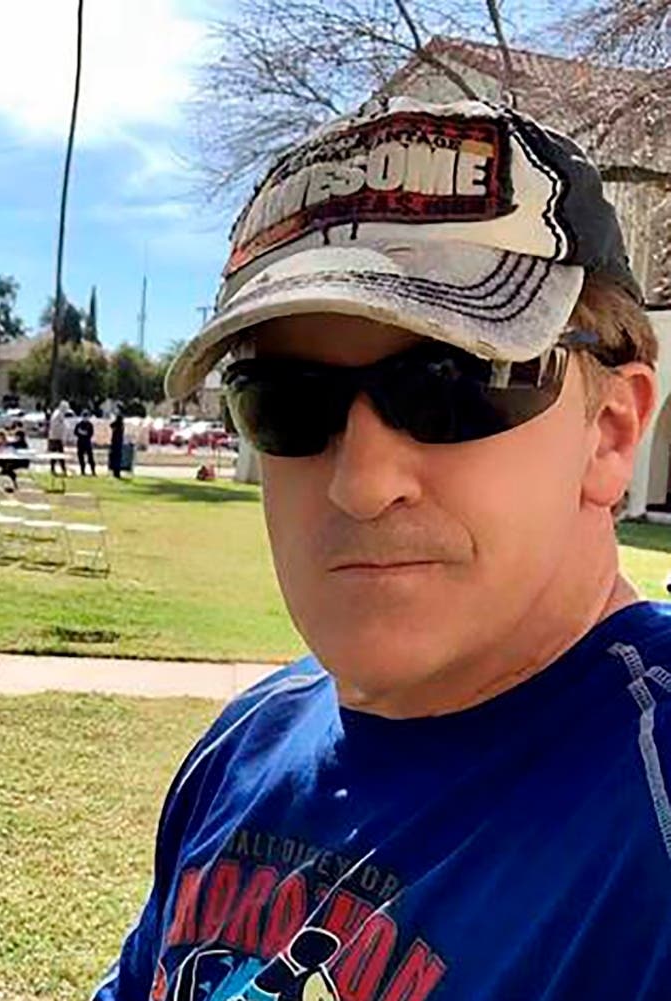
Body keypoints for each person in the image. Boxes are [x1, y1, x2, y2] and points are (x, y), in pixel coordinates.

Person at [93, 98, 671, 1001]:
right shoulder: (246, 746)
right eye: (287, 397)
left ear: (609, 431)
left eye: (452, 381)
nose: (359, 481)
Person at [47, 400, 70, 475]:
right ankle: (62, 470)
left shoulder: (56, 413)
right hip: (56, 438)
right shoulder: (59, 414)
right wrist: (64, 437)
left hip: (53, 437)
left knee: (54, 455)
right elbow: (62, 426)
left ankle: (54, 469)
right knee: (59, 455)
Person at [74, 411, 96, 476]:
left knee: (90, 458)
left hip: (87, 443)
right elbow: (75, 432)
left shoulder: (90, 425)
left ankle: (93, 471)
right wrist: (81, 433)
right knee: (81, 458)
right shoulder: (79, 424)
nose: (85, 418)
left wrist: (84, 433)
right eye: (84, 416)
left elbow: (91, 433)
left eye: (86, 416)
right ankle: (82, 471)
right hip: (80, 443)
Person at [107, 413, 125, 480]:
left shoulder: (119, 425)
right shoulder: (121, 425)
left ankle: (116, 472)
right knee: (117, 459)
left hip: (116, 444)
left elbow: (111, 425)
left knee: (115, 459)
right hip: (118, 444)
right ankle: (116, 472)